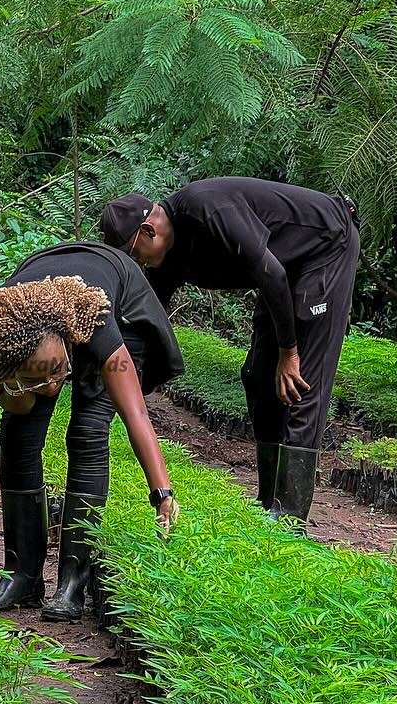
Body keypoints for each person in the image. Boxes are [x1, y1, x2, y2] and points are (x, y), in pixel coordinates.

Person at [100, 177, 359, 523]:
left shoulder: (206, 208)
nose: (139, 265)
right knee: (256, 376)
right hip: (278, 271)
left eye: (134, 256)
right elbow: (148, 325)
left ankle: (290, 517)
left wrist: (289, 352)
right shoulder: (167, 258)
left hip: (326, 246)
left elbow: (272, 274)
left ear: (148, 231)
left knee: (299, 383)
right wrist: (124, 385)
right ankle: (268, 501)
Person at [0, 241, 183, 621]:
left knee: (87, 432)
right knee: (19, 433)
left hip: (120, 313)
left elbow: (136, 414)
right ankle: (21, 576)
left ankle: (72, 584)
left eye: (57, 372)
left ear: (63, 339)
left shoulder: (95, 322)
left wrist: (161, 491)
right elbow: (15, 406)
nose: (55, 386)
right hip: (36, 325)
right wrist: (20, 391)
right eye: (42, 378)